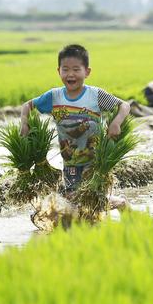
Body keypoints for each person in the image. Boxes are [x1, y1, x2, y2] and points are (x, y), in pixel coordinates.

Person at [20, 44, 131, 200]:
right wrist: (24, 123)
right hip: (70, 161)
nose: (70, 74)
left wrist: (116, 123)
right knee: (73, 199)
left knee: (91, 198)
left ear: (87, 72)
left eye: (76, 69)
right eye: (65, 69)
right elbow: (27, 106)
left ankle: (120, 204)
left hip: (96, 160)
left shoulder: (95, 95)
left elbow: (124, 105)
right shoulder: (54, 97)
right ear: (58, 71)